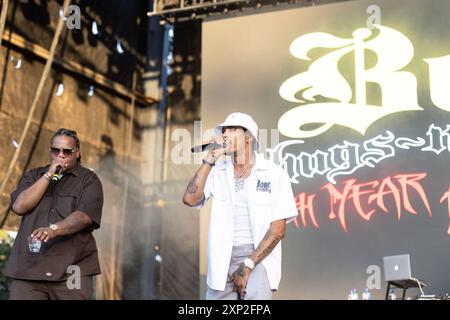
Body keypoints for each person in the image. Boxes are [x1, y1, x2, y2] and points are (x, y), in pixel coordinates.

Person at [183, 112, 298, 300]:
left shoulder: (274, 173)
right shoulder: (217, 170)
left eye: (233, 129)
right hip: (222, 259)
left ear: (248, 137)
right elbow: (190, 198)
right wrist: (210, 159)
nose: (226, 134)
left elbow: (278, 231)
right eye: (225, 130)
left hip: (258, 257)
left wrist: (247, 265)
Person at [4, 128, 103, 300]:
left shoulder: (89, 179)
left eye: (66, 151)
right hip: (30, 268)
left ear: (77, 153)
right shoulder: (34, 175)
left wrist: (53, 229)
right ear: (50, 151)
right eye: (56, 150)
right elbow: (19, 206)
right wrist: (49, 174)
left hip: (72, 268)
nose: (61, 155)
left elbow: (84, 216)